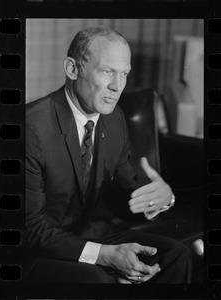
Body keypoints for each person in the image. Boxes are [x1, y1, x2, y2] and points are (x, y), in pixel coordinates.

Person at [25, 26, 191, 284]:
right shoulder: (30, 127)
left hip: (91, 234)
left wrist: (159, 199)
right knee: (97, 279)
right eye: (107, 72)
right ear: (72, 69)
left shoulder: (113, 119)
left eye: (124, 74)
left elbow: (123, 194)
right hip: (39, 249)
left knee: (175, 255)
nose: (118, 86)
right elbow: (30, 229)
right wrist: (103, 256)